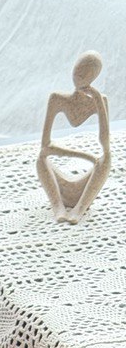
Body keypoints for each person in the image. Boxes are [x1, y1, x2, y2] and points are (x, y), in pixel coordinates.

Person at [36, 52, 111, 224]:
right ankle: (58, 207)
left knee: (107, 159)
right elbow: (46, 146)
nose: (78, 76)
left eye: (85, 74)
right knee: (40, 158)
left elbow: (105, 147)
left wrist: (98, 99)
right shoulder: (56, 99)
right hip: (58, 185)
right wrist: (86, 156)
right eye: (77, 70)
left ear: (92, 78)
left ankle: (80, 209)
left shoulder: (100, 101)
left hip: (86, 185)